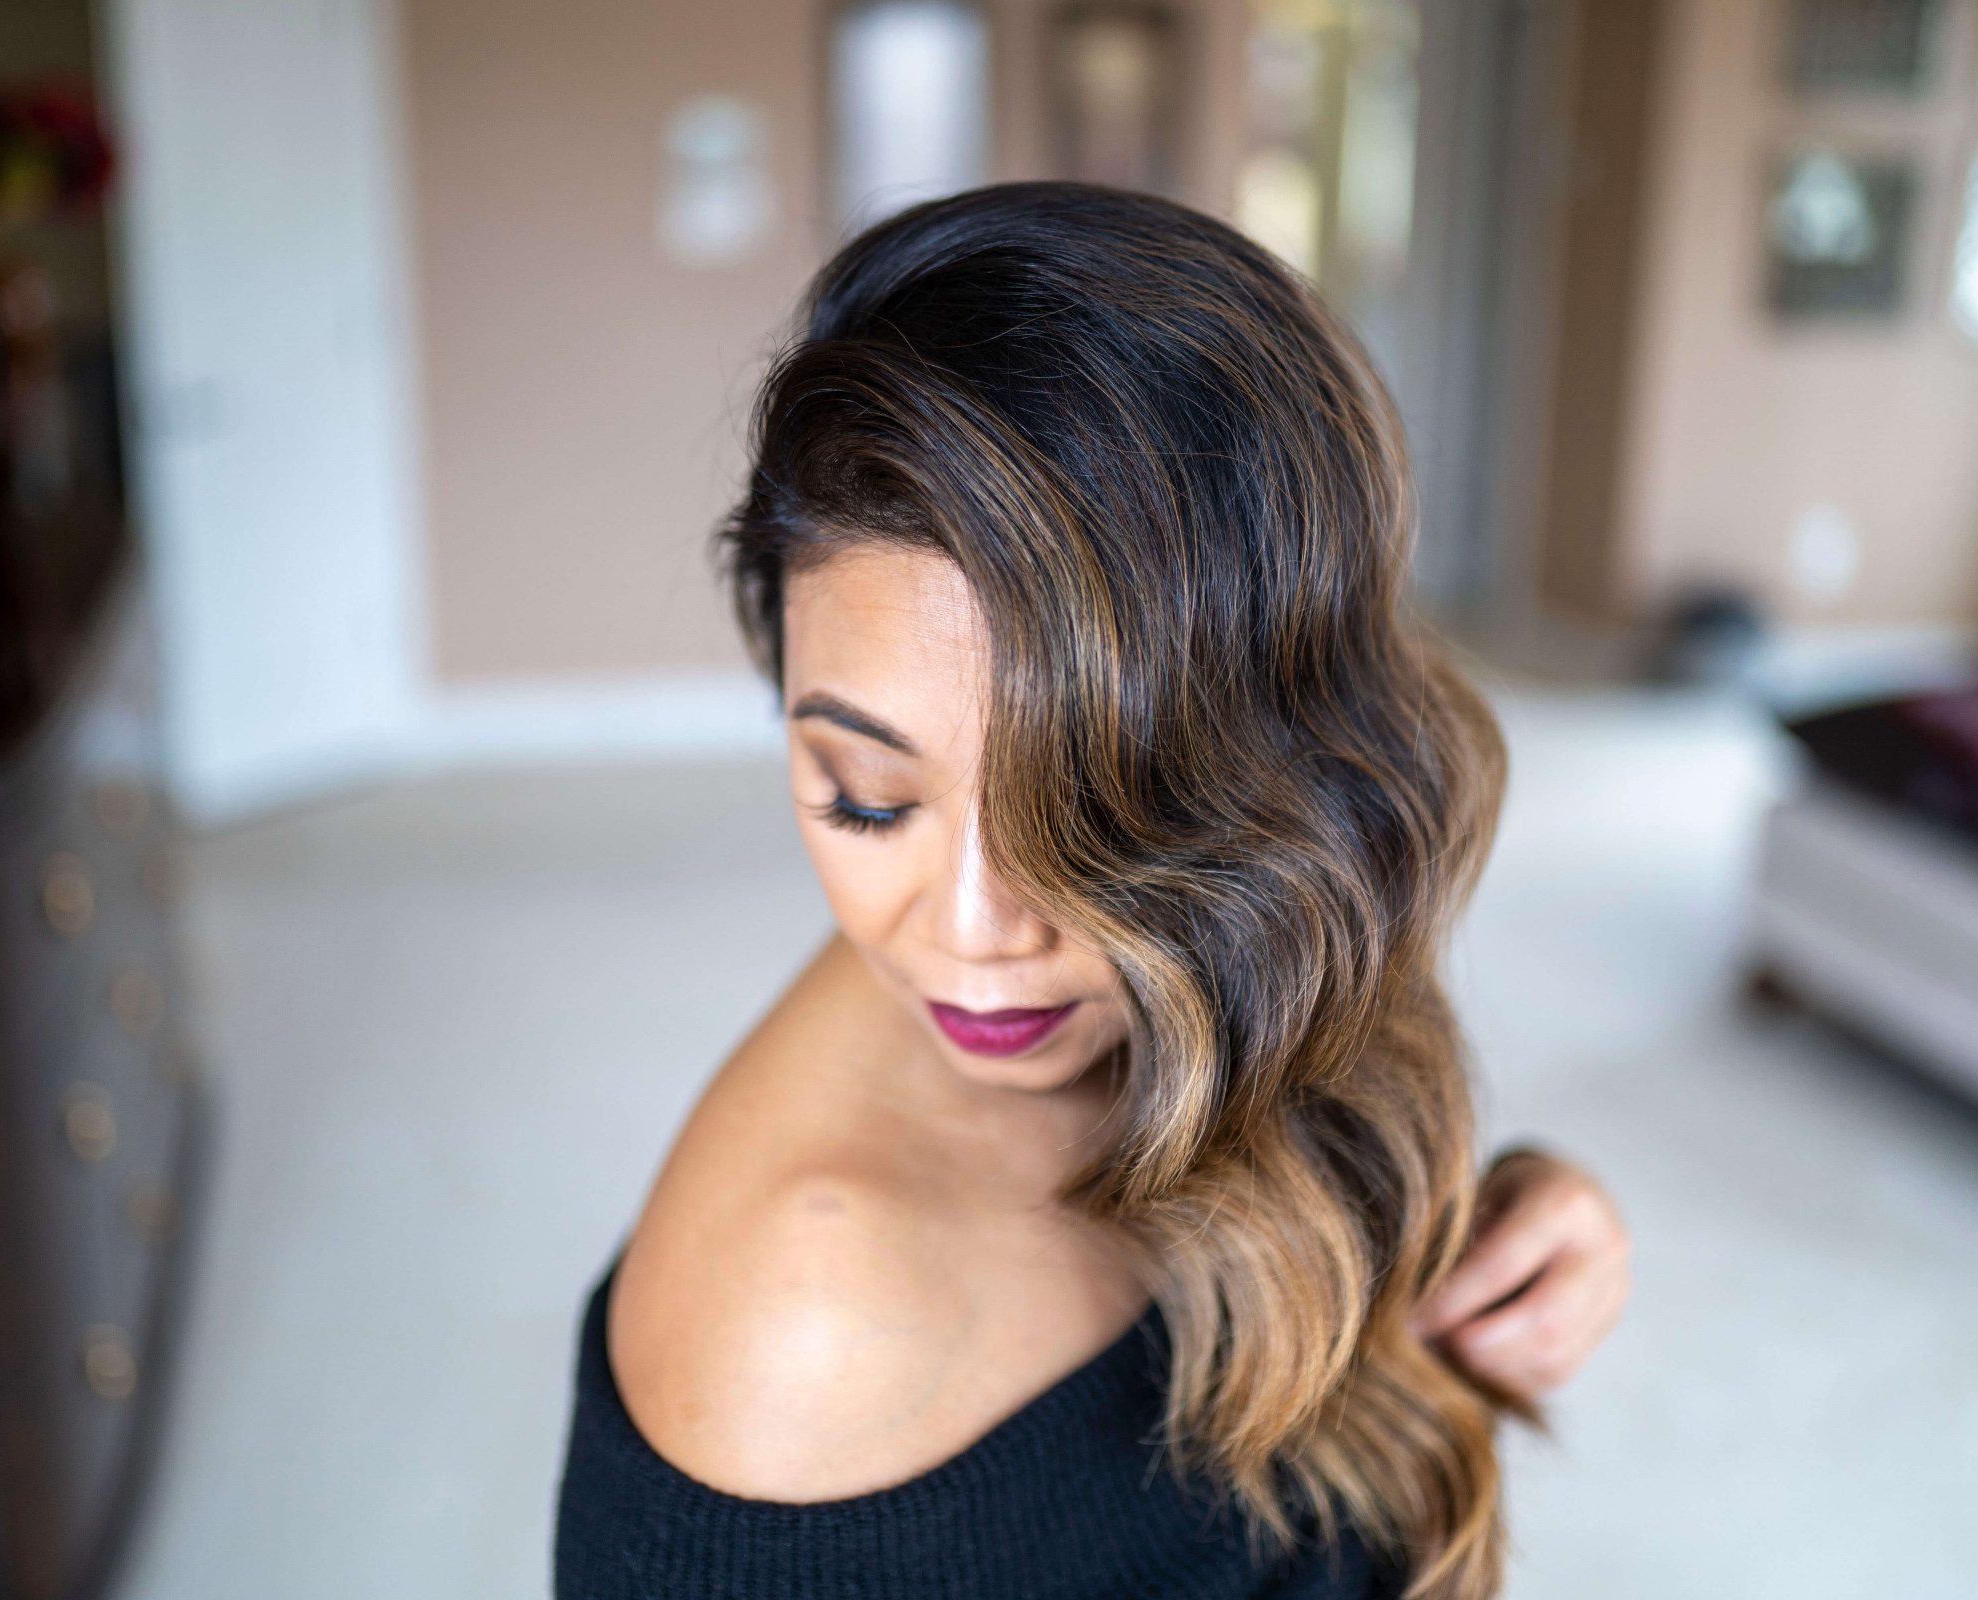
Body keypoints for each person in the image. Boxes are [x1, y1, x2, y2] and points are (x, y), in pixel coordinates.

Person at [555, 183, 1629, 1599]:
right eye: (870, 796)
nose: (973, 935)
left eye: (1105, 806)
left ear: (1292, 764)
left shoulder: (1263, 921)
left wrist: (1506, 1224)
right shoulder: (818, 1325)